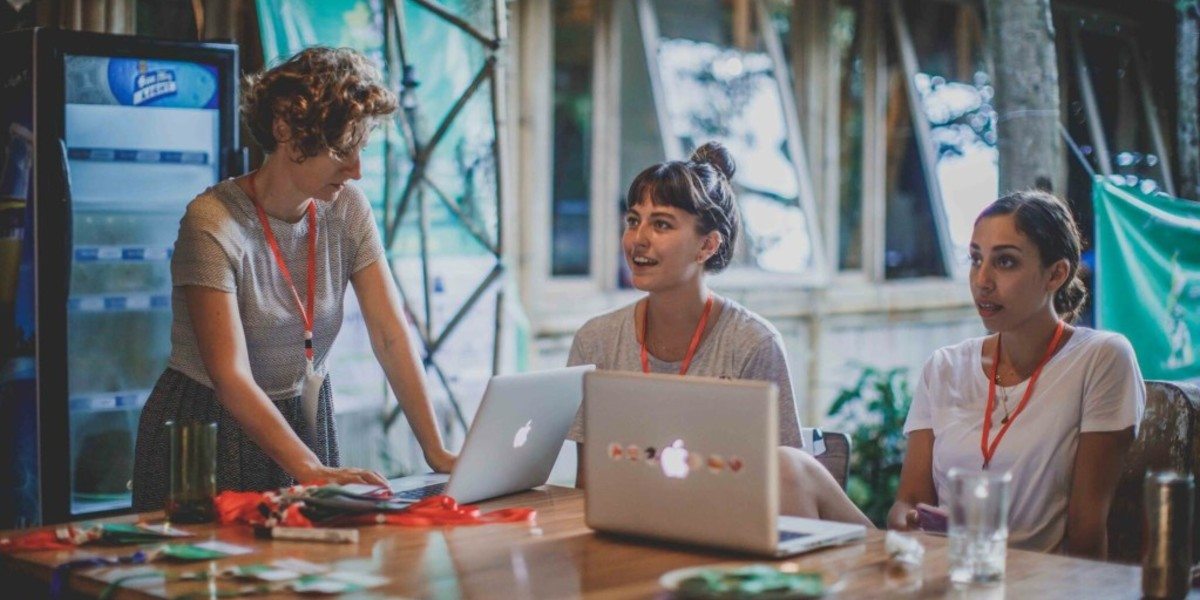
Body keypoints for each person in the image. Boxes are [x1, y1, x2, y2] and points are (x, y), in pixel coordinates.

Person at [132, 47, 455, 511]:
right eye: (342, 151)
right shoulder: (213, 221)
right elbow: (231, 377)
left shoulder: (347, 209)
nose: (356, 170)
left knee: (306, 576)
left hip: (303, 426)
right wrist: (310, 469)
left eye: (360, 150)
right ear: (286, 129)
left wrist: (436, 450)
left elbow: (390, 335)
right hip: (208, 433)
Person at [565, 142, 871, 526]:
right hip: (627, 534)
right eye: (633, 220)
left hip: (729, 536)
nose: (637, 239)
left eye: (661, 224)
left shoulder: (753, 343)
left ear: (708, 245)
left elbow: (784, 484)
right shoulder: (596, 341)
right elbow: (586, 491)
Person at [888, 190, 1145, 558]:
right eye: (976, 259)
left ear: (1056, 274)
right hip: (941, 573)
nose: (983, 280)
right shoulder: (943, 366)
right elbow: (908, 501)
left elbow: (1086, 532)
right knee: (795, 470)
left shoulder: (1100, 359)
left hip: (1036, 585)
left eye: (1005, 262)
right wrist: (910, 519)